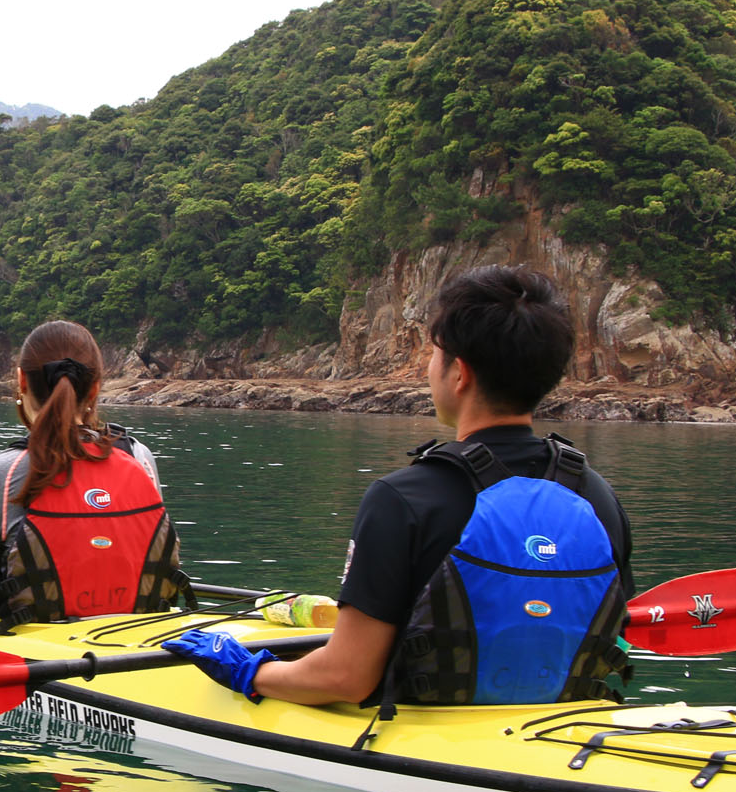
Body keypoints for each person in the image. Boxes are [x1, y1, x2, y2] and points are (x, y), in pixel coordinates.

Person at [167, 266, 634, 707]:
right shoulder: (597, 496)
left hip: (420, 737)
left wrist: (250, 671)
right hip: (560, 733)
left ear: (460, 373)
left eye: (434, 356)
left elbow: (345, 678)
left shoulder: (404, 498)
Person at [0, 320, 190, 628]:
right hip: (139, 638)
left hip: (39, 649)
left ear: (22, 382)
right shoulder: (139, 457)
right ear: (94, 387)